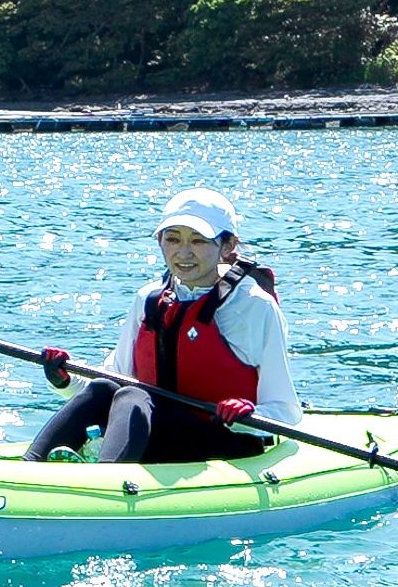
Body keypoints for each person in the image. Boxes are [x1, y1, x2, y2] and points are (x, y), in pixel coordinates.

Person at [28, 188, 293, 466]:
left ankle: (107, 481)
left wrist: (247, 416)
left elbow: (285, 411)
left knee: (132, 394)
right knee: (104, 389)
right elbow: (115, 377)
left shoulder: (254, 307)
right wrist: (64, 380)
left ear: (227, 246)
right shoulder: (149, 299)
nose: (184, 252)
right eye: (173, 239)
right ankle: (29, 467)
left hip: (225, 443)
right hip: (155, 434)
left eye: (199, 241)